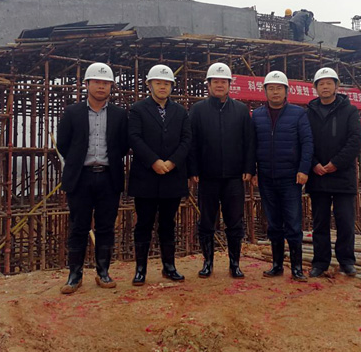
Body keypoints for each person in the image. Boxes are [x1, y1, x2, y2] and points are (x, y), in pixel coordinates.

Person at [57, 62, 129, 294]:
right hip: (81, 178)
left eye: (106, 83)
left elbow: (123, 146)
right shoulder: (72, 112)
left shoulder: (119, 115)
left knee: (106, 227)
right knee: (79, 226)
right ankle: (74, 275)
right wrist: (78, 161)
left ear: (111, 87)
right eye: (97, 82)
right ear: (86, 84)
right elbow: (63, 144)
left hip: (109, 178)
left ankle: (103, 272)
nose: (101, 86)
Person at [188, 62, 255, 278]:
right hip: (207, 177)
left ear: (229, 84)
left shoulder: (241, 110)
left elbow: (249, 141)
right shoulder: (198, 110)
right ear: (208, 85)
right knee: (206, 222)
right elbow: (192, 142)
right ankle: (208, 262)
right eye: (215, 81)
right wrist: (193, 169)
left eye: (223, 81)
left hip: (234, 177)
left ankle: (234, 263)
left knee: (235, 222)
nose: (219, 85)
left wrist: (249, 167)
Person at [128, 64, 191, 286]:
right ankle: (141, 269)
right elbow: (134, 138)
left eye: (166, 83)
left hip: (172, 177)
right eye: (158, 83)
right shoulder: (137, 109)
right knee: (143, 224)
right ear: (149, 85)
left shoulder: (181, 112)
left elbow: (187, 140)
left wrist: (172, 162)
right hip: (146, 177)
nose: (162, 87)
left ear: (172, 86)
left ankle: (169, 266)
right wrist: (153, 161)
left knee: (168, 223)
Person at [251, 71, 313, 282]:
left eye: (279, 88)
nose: (275, 92)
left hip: (290, 179)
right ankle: (277, 265)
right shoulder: (257, 115)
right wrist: (253, 170)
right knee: (273, 223)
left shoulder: (298, 114)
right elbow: (252, 144)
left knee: (293, 223)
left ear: (287, 91)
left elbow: (307, 143)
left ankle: (297, 268)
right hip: (266, 178)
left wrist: (303, 169)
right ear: (265, 91)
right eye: (271, 88)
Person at [306, 67, 361, 277]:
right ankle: (320, 262)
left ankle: (346, 261)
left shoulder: (350, 111)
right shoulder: (309, 113)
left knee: (345, 221)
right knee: (319, 222)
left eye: (329, 83)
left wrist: (336, 163)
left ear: (336, 86)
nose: (325, 87)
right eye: (321, 84)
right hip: (318, 175)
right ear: (315, 88)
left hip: (342, 176)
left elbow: (355, 140)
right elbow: (305, 141)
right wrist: (314, 164)